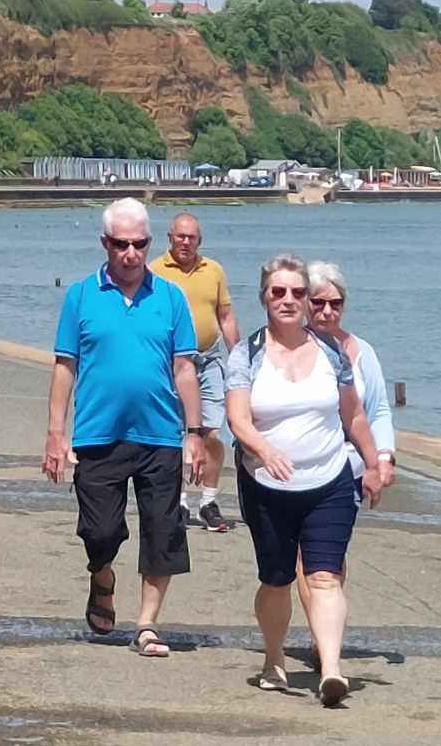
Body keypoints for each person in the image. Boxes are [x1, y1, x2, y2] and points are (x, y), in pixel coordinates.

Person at [43, 196, 208, 658]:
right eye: (121, 245)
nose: (131, 253)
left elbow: (184, 369)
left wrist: (195, 434)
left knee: (163, 531)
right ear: (105, 243)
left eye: (139, 244)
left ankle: (147, 625)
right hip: (98, 433)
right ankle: (102, 575)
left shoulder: (171, 297)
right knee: (100, 532)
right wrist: (56, 434)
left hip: (159, 434)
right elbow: (64, 367)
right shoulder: (80, 295)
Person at [225, 254, 384, 706]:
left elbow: (353, 415)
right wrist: (265, 450)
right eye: (279, 292)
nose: (289, 300)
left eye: (298, 292)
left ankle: (331, 670)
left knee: (324, 576)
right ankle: (274, 658)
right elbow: (237, 418)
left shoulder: (332, 352)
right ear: (264, 298)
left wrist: (374, 463)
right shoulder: (247, 354)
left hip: (329, 479)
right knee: (276, 578)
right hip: (266, 486)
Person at [297, 261, 396, 655]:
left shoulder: (360, 351)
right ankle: (323, 639)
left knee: (329, 554)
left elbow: (379, 411)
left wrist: (382, 459)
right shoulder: (285, 346)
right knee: (303, 556)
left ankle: (324, 630)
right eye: (318, 302)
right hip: (296, 464)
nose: (325, 311)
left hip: (347, 463)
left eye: (334, 303)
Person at [149, 211, 238, 532]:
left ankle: (209, 501)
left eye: (192, 237)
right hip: (170, 362)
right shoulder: (154, 271)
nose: (186, 242)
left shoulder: (213, 270)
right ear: (170, 237)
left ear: (200, 240)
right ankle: (180, 501)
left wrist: (240, 359)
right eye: (180, 236)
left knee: (213, 432)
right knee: (175, 434)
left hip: (210, 359)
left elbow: (225, 316)